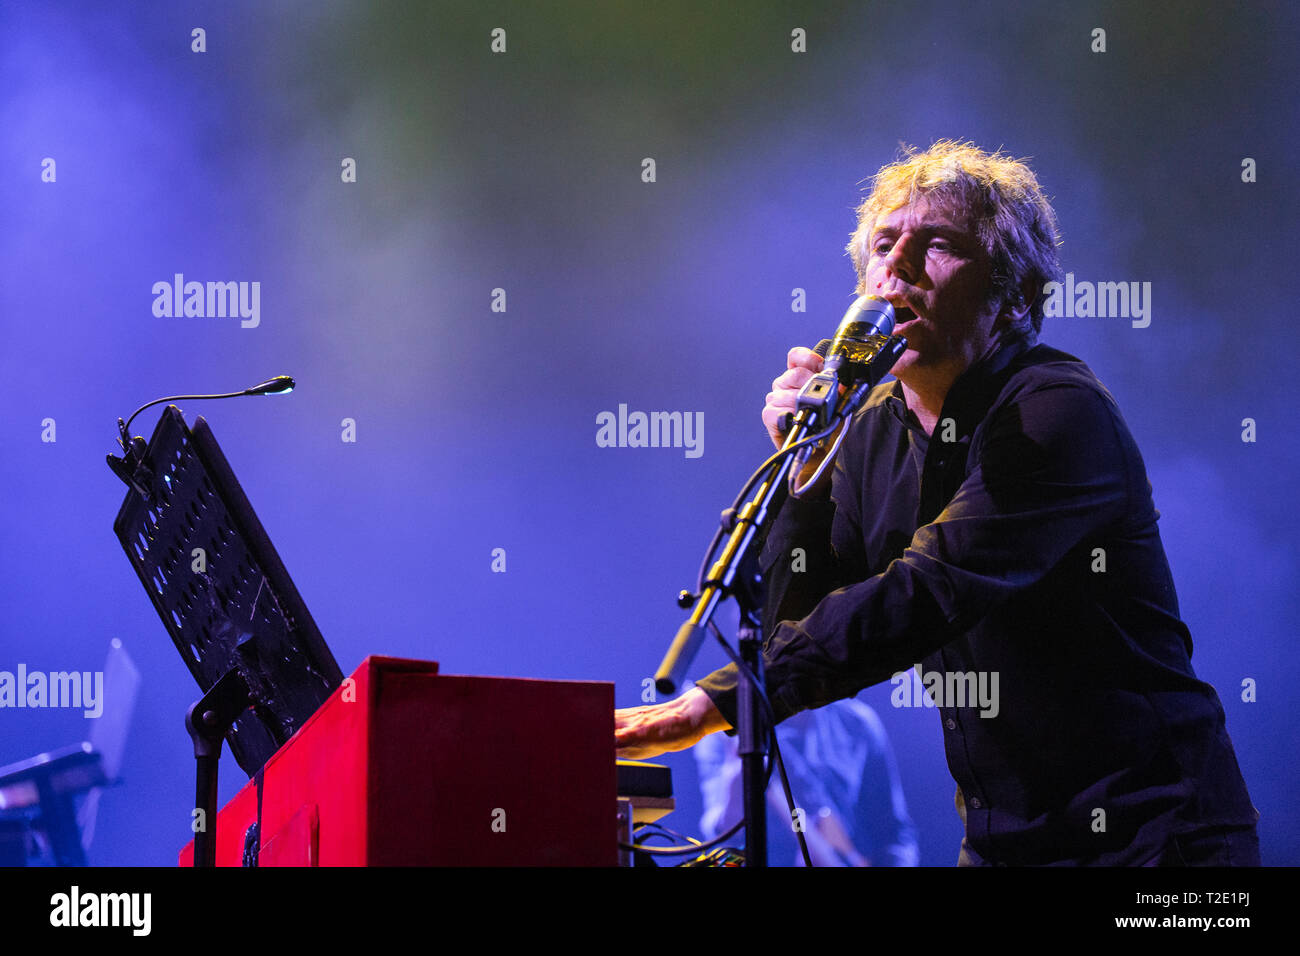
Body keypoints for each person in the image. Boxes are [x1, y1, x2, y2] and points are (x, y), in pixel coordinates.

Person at [616, 140, 1260, 866]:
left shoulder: (1055, 409)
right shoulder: (865, 431)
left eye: (939, 244)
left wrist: (722, 699)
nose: (899, 266)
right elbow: (795, 620)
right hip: (1002, 843)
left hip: (1156, 837)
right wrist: (805, 462)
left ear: (1014, 295)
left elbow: (929, 588)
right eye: (885, 244)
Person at [695, 695, 919, 866]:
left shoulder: (858, 722)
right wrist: (736, 779)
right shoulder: (729, 726)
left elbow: (895, 833)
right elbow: (720, 831)